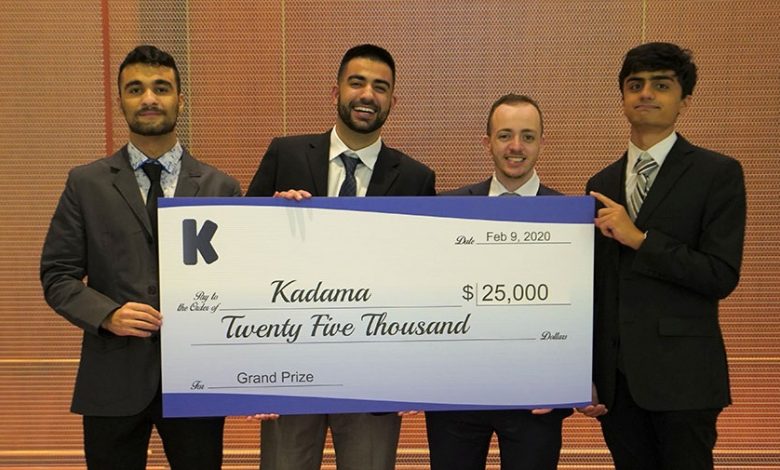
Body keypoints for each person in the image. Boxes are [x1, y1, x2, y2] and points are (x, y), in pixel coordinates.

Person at [40, 45, 241, 469]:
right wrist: (107, 315)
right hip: (112, 378)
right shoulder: (86, 184)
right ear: (121, 101)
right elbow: (57, 275)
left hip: (196, 381)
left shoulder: (221, 187)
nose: (149, 98)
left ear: (180, 100)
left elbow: (240, 284)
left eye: (161, 88)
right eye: (135, 89)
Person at [245, 43, 435, 470]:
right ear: (336, 91)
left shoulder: (416, 178)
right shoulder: (285, 155)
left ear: (393, 101)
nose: (367, 94)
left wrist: (415, 374)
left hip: (374, 374)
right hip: (288, 365)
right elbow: (243, 253)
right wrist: (268, 218)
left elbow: (424, 281)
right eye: (357, 82)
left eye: (380, 87)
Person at [579, 42, 746, 469]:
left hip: (685, 381)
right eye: (635, 85)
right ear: (622, 98)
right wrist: (589, 373)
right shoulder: (600, 183)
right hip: (618, 386)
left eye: (661, 85)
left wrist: (641, 239)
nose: (646, 93)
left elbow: (720, 275)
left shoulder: (718, 173)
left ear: (684, 101)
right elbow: (597, 290)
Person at [424, 93, 571, 470]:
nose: (516, 146)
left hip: (537, 398)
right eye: (505, 135)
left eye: (528, 136)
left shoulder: (571, 219)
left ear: (542, 142)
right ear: (487, 142)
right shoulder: (448, 210)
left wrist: (569, 379)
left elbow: (584, 306)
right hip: (455, 397)